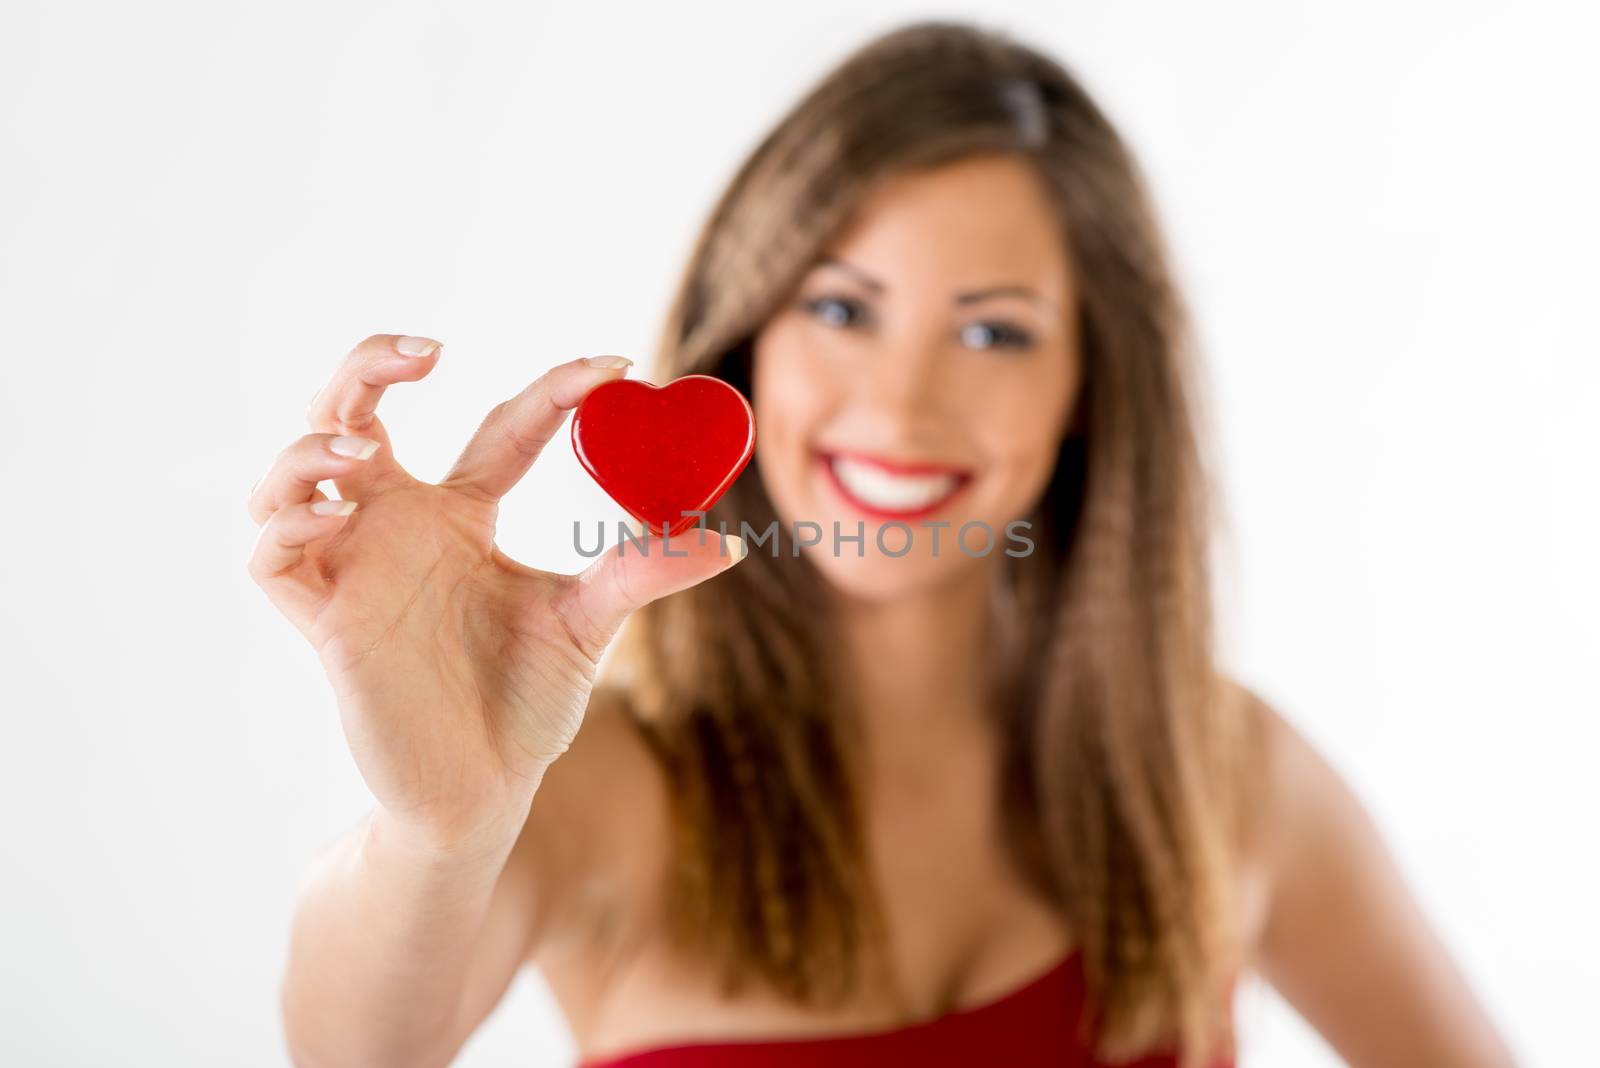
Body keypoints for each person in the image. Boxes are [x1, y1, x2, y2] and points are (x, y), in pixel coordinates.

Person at [246, 20, 1517, 1068]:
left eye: (991, 332)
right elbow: (347, 1054)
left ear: (1090, 385)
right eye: (844, 307)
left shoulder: (1226, 774)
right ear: (745, 336)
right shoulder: (603, 788)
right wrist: (435, 836)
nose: (901, 408)